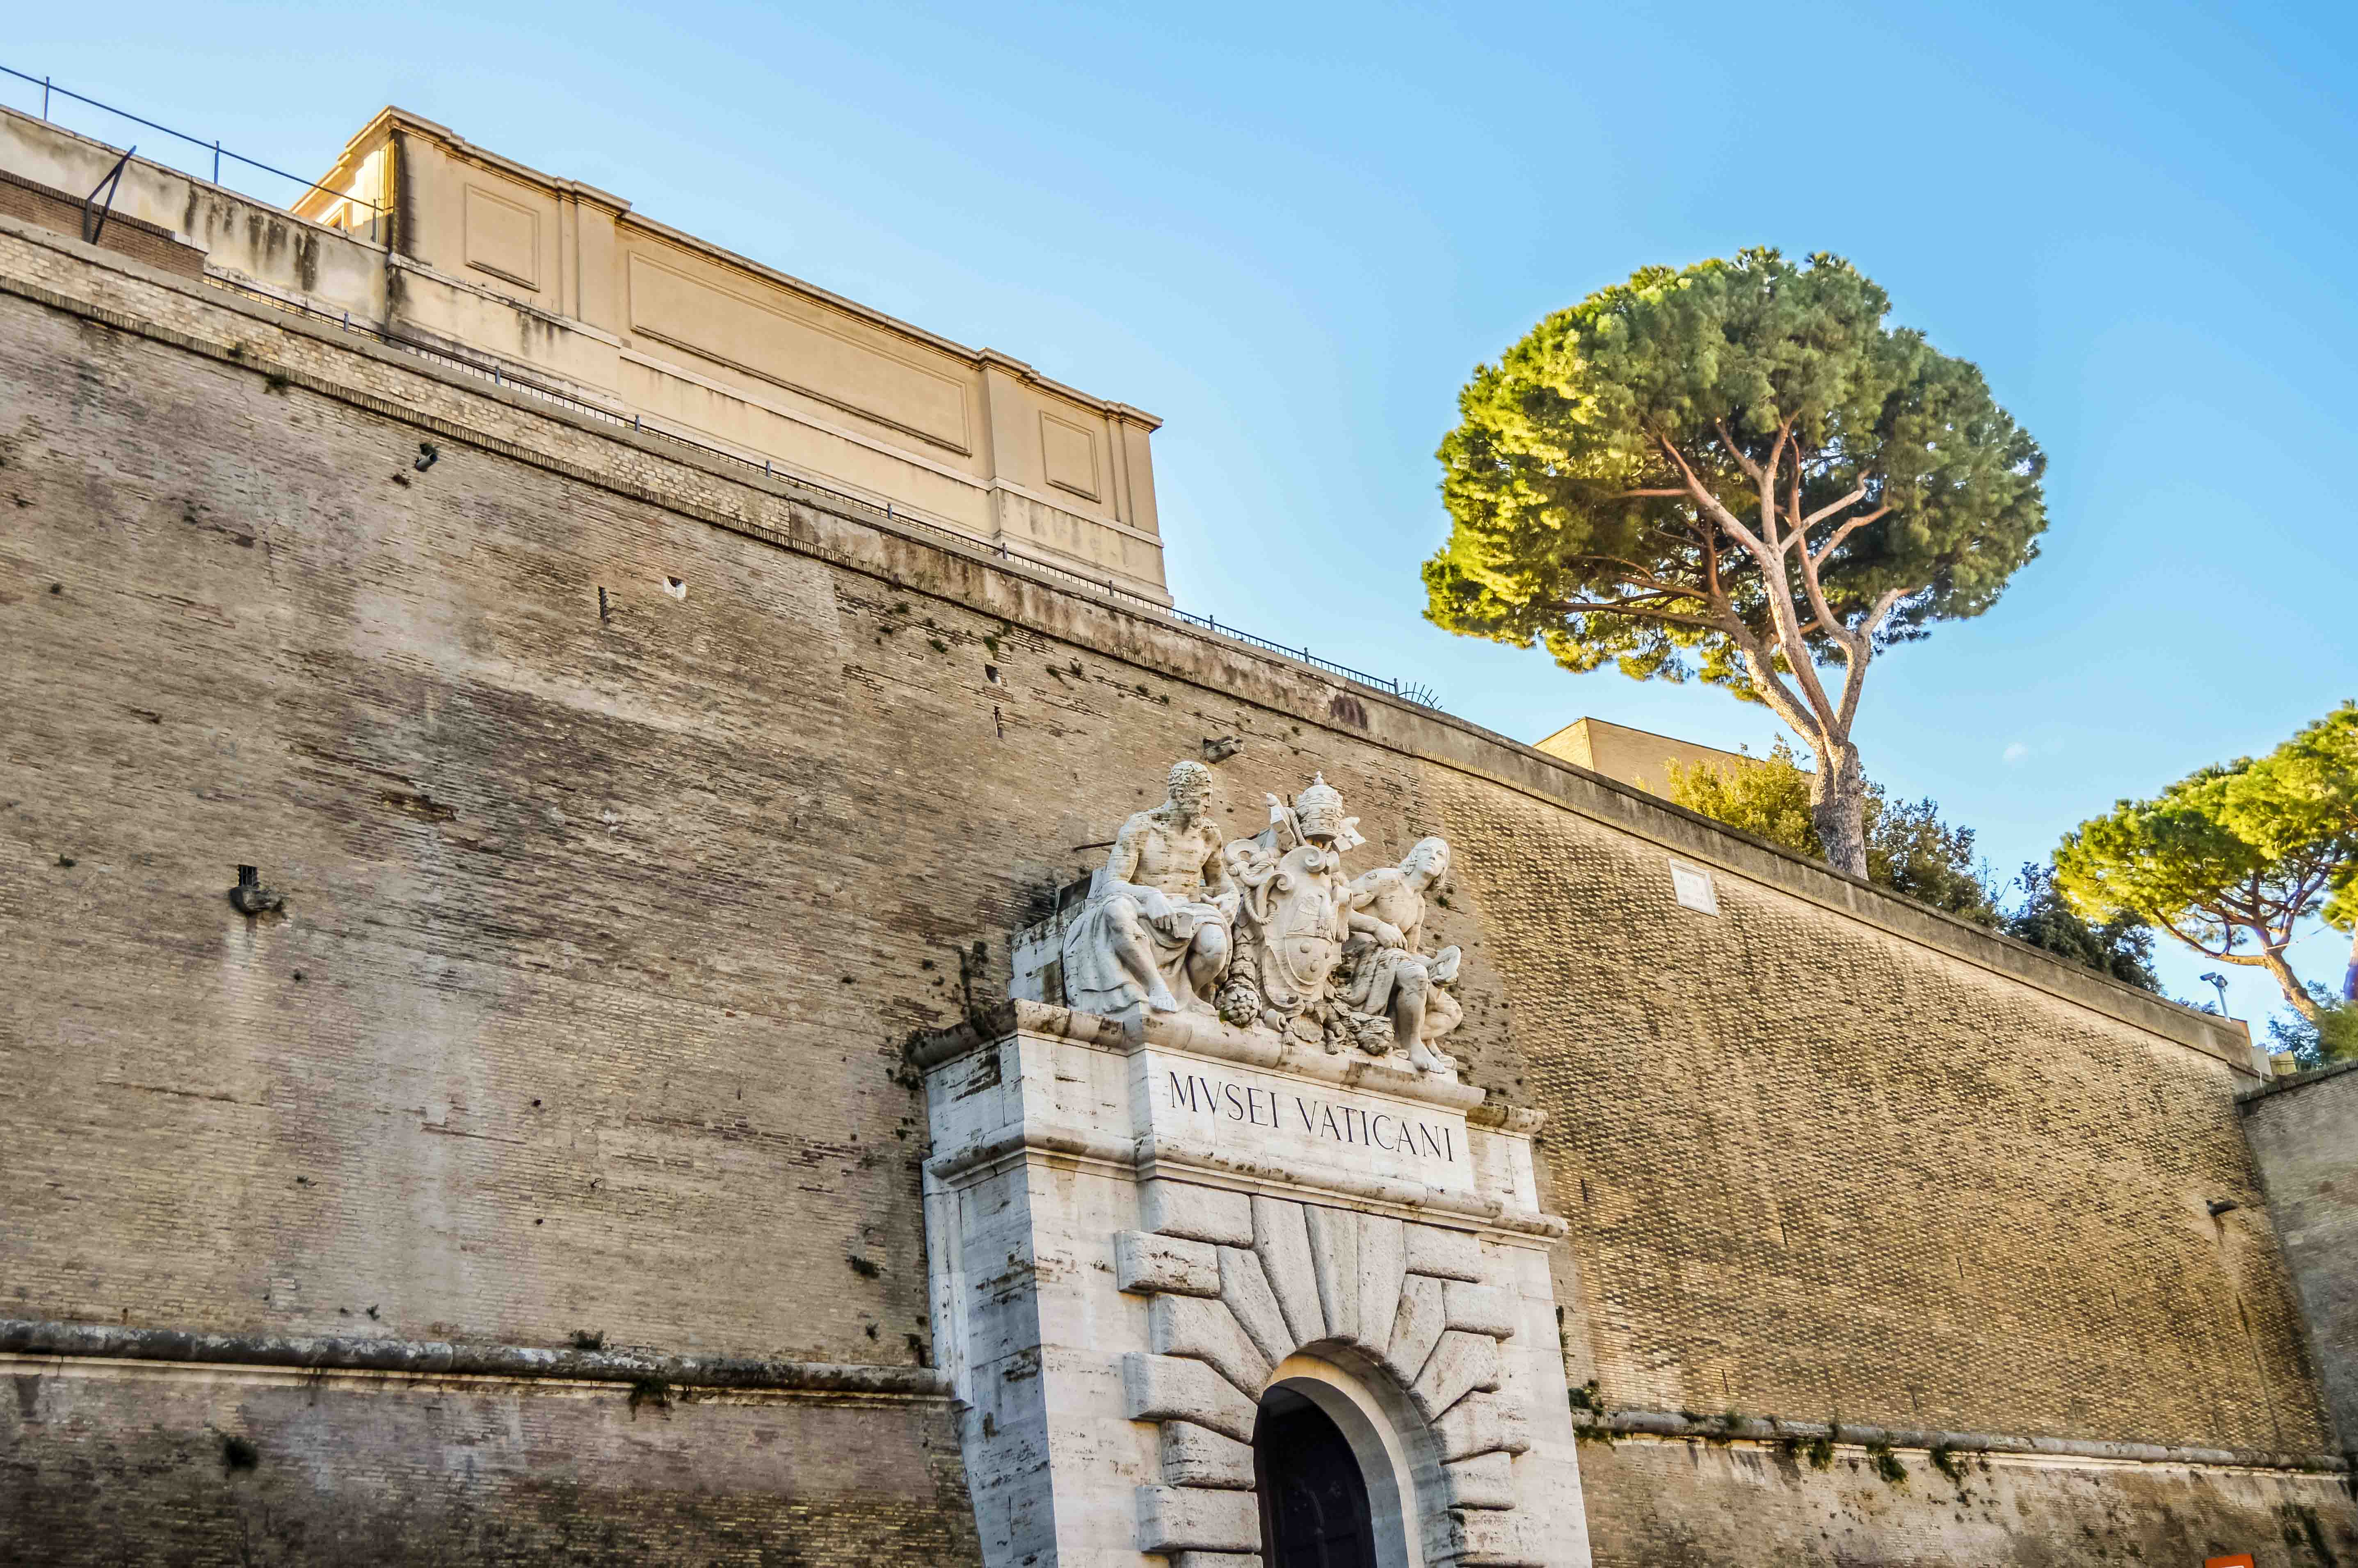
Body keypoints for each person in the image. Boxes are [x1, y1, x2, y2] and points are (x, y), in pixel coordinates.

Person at [1062, 760, 1237, 1018]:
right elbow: (1111, 884)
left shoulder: (1209, 834)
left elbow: (1223, 883)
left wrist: (1231, 900)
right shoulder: (1142, 826)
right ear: (1180, 794)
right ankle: (1155, 987)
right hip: (1142, 903)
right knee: (1116, 911)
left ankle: (1188, 996)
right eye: (1204, 796)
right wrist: (1151, 895)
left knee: (1215, 947)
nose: (1209, 804)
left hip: (1189, 909)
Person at [1338, 837, 1462, 1073]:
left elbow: (1411, 953)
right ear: (1413, 856)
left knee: (1451, 1012)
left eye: (1440, 855)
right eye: (1427, 850)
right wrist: (1376, 926)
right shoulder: (1386, 880)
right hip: (1354, 955)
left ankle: (1392, 1037)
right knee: (1415, 975)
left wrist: (1438, 967)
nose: (1432, 856)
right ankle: (1413, 1044)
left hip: (1390, 960)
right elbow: (1338, 905)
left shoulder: (1419, 906)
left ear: (1442, 870)